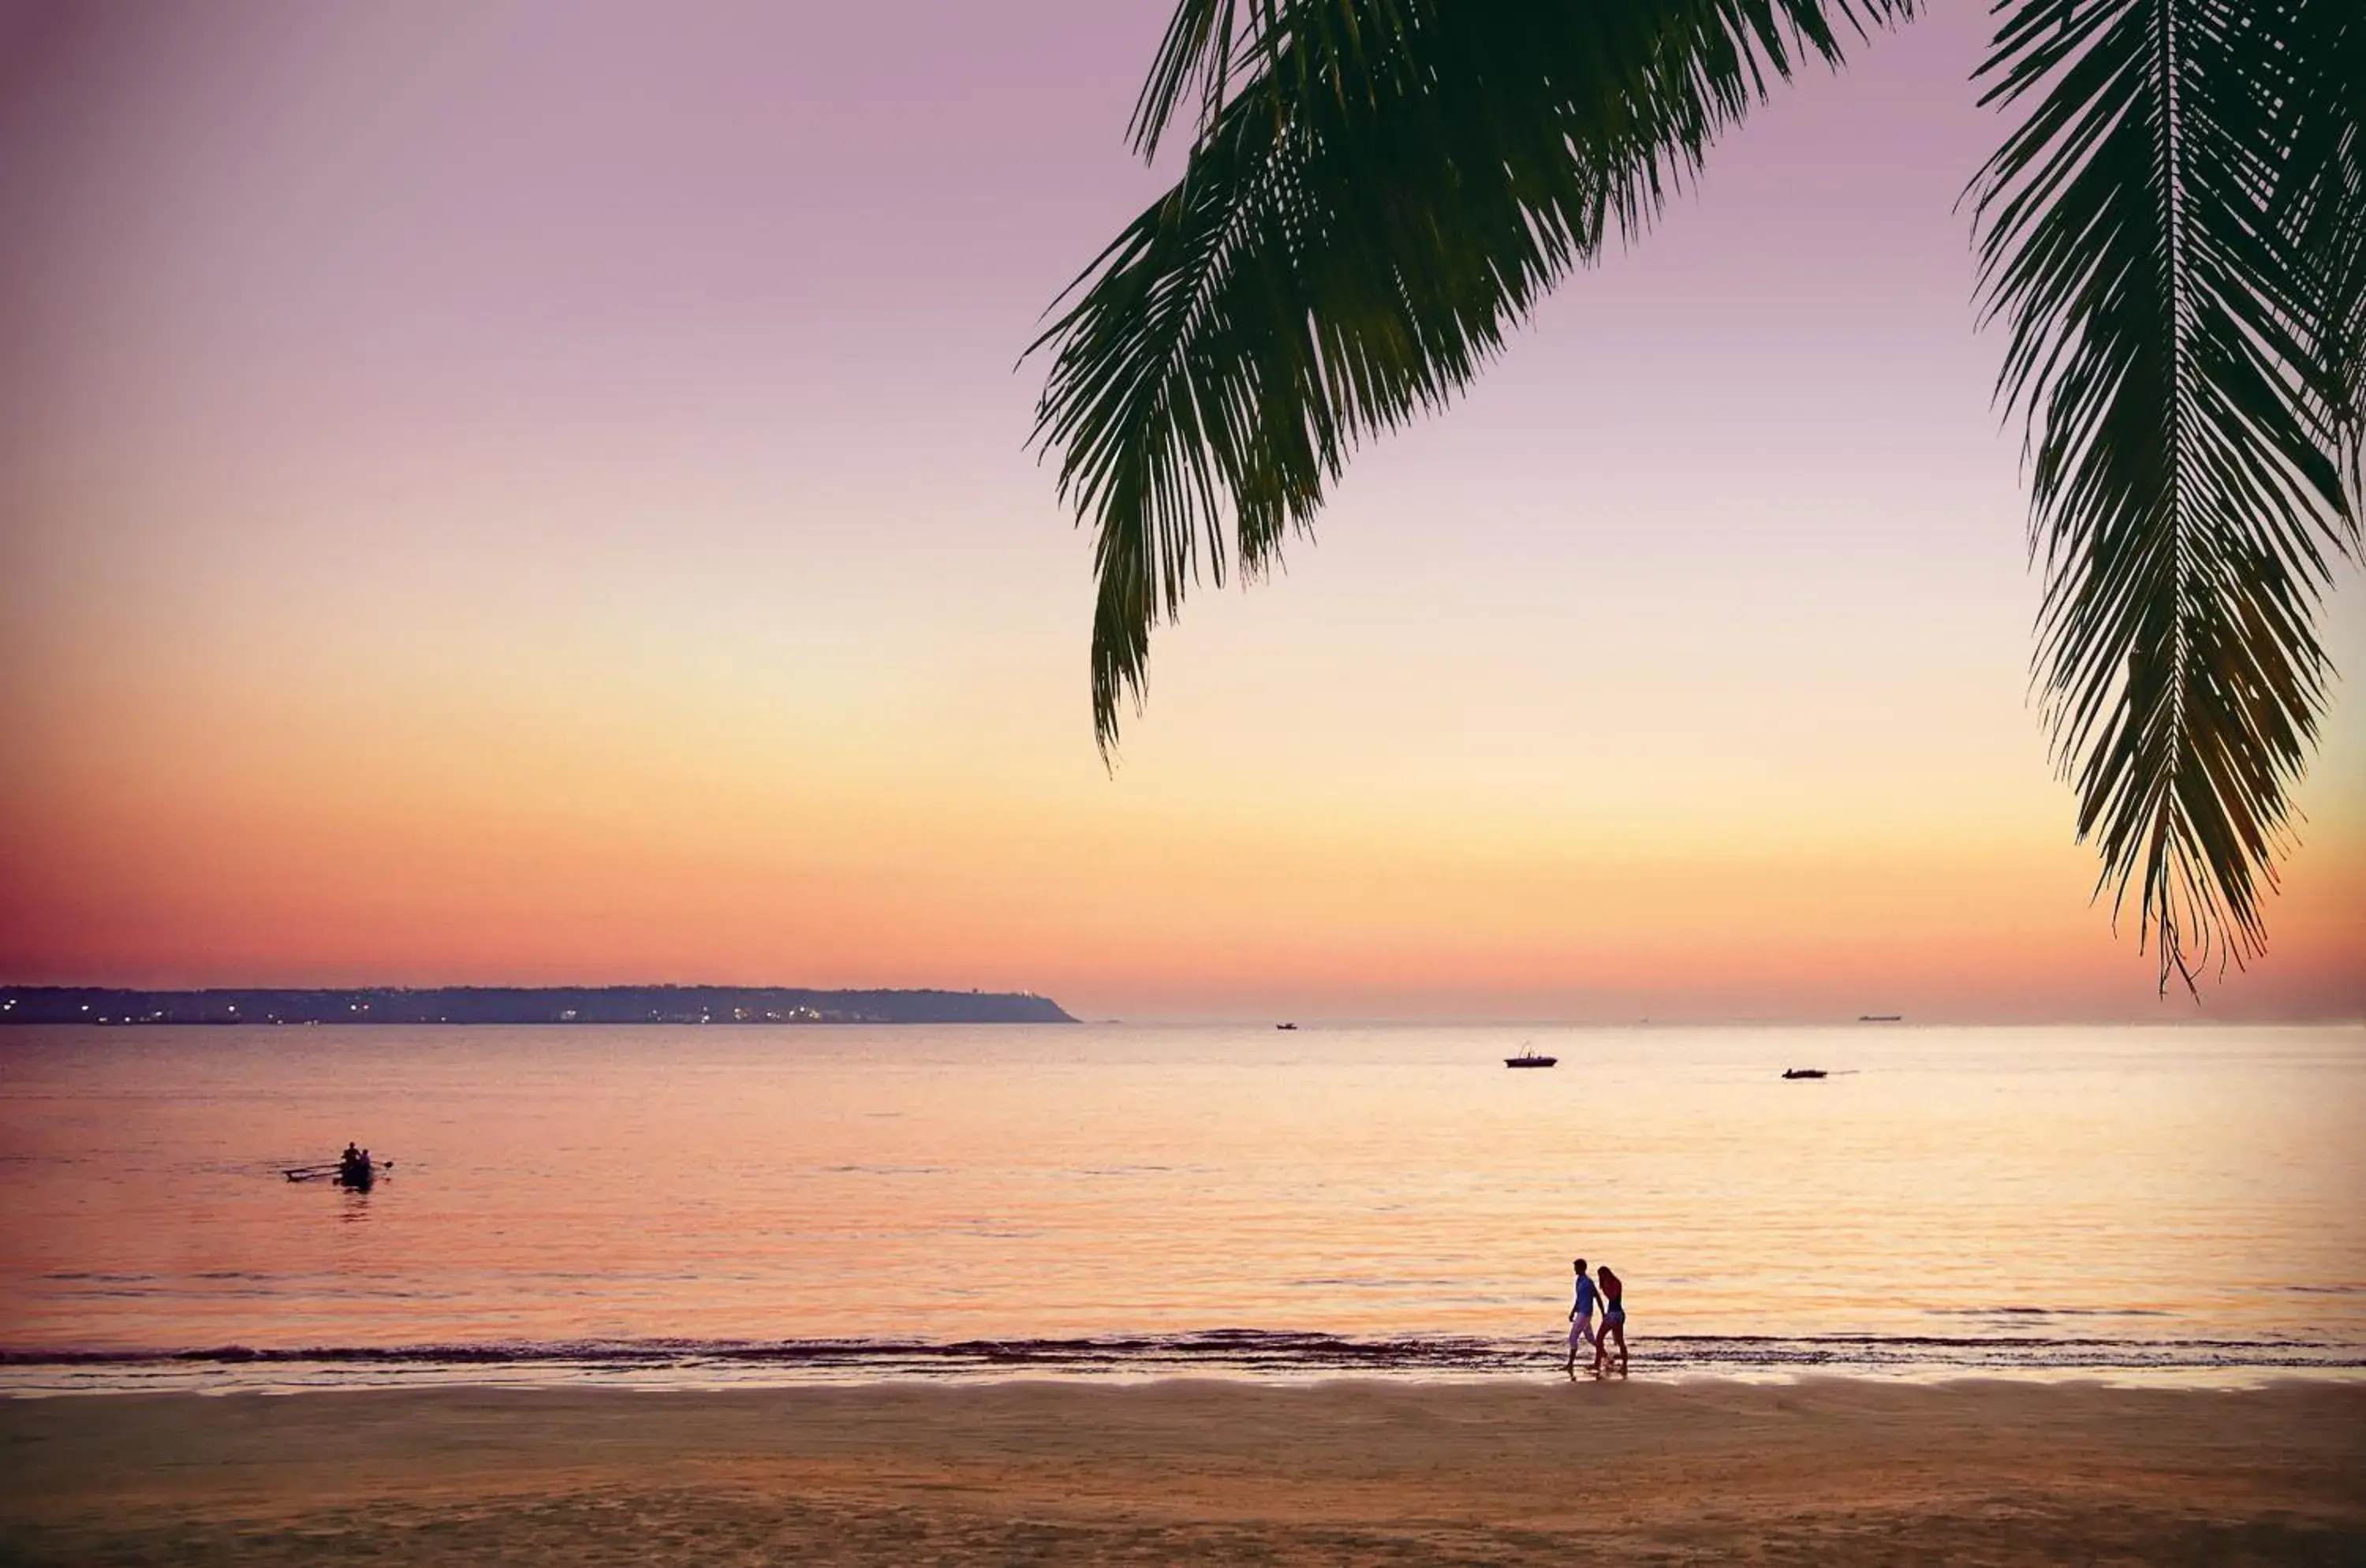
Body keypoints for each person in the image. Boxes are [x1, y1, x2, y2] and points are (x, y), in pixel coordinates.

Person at [1563, 1258, 1597, 1376]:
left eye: (1576, 1267)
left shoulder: (1588, 1282)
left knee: (1573, 1337)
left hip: (1586, 1313)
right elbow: (1578, 1298)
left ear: (1582, 1268)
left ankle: (1570, 1364)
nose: (1574, 1269)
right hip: (1581, 1312)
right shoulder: (1579, 1281)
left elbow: (1597, 1296)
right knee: (1590, 1338)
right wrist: (1573, 1312)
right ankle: (1605, 1356)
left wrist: (1603, 1313)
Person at [1592, 1264, 1627, 1376]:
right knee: (1599, 1339)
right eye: (1601, 1276)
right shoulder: (1606, 1284)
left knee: (1620, 1341)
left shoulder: (1616, 1282)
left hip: (1616, 1314)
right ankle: (1599, 1362)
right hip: (1610, 1314)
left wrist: (1606, 1287)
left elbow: (1613, 1297)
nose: (1602, 1277)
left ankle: (1625, 1364)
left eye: (1604, 1275)